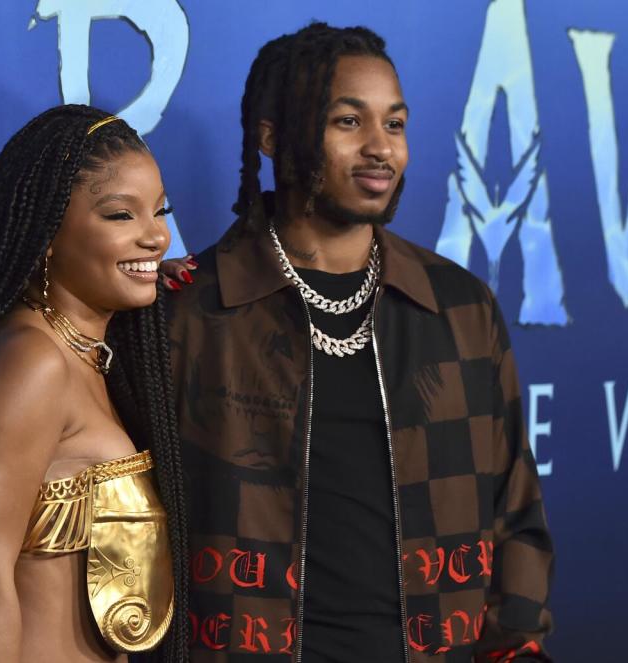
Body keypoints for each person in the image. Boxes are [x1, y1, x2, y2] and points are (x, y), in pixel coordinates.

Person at [168, 24, 554, 662]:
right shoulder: (191, 312)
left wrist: (514, 650)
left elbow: (515, 510)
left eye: (395, 125)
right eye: (348, 121)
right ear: (271, 137)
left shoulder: (457, 305)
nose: (381, 149)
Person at [0, 105, 188, 663]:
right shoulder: (31, 362)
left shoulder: (91, 355)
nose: (157, 236)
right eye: (122, 215)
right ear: (46, 232)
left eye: (160, 210)